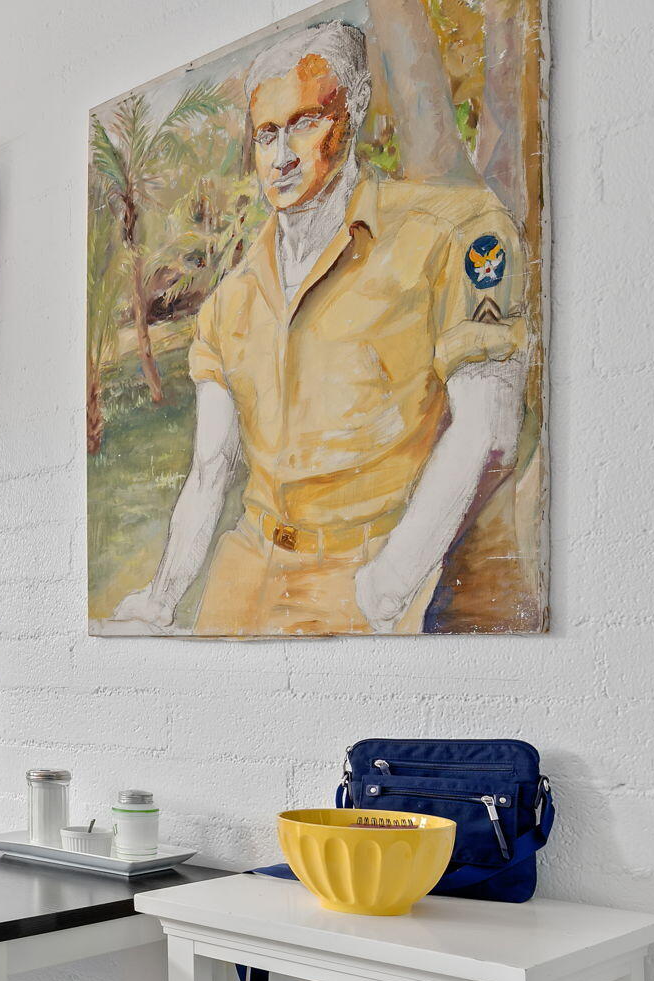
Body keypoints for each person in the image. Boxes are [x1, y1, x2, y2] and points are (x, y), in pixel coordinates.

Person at [109, 21, 530, 636]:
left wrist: (384, 588)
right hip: (246, 563)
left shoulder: (448, 234)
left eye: (306, 122)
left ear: (353, 109)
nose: (282, 157)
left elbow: (489, 428)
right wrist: (162, 596)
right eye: (266, 134)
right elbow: (210, 468)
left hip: (362, 570)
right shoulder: (230, 303)